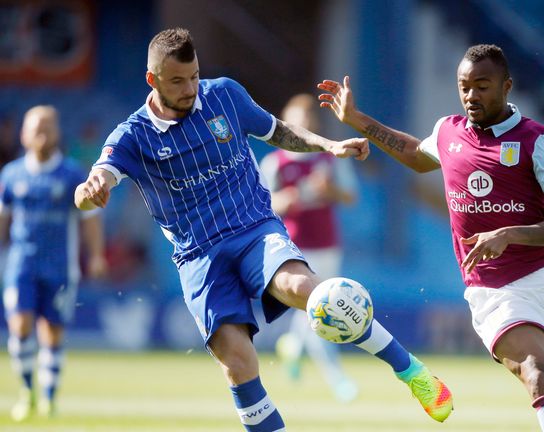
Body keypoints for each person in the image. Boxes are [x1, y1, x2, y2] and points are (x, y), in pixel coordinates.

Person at [73, 28, 453, 431]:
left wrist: (328, 146)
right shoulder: (132, 135)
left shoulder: (224, 95)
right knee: (238, 363)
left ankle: (411, 372)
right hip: (198, 255)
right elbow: (96, 180)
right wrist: (89, 190)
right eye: (178, 81)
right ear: (153, 80)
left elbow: (279, 131)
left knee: (314, 293)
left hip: (255, 229)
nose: (190, 88)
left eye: (194, 76)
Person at [318, 44, 544, 432]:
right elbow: (414, 153)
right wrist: (356, 119)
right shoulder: (448, 131)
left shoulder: (536, 141)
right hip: (494, 289)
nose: (471, 95)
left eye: (482, 86)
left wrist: (508, 234)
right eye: (464, 86)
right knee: (536, 371)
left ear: (507, 86)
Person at [1, 105, 107, 420]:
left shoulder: (73, 174)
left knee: (52, 332)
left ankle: (49, 397)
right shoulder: (11, 175)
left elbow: (90, 219)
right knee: (19, 325)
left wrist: (97, 255)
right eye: (36, 127)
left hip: (60, 267)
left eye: (48, 126)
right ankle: (27, 391)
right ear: (24, 134)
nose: (42, 133)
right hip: (21, 265)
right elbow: (3, 221)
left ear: (58, 133)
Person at [261, 93, 359, 402]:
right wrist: (284, 201)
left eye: (307, 120)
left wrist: (329, 190)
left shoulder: (327, 158)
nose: (302, 124)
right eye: (296, 120)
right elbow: (263, 205)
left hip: (327, 244)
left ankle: (292, 346)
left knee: (313, 312)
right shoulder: (274, 162)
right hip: (291, 248)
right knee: (319, 311)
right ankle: (338, 380)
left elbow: (350, 196)